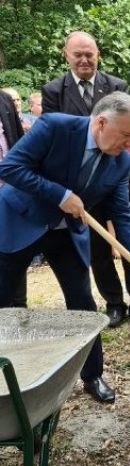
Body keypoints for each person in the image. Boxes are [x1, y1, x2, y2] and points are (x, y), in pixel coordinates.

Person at [0, 92, 130, 404]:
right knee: (5, 302)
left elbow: (122, 212)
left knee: (83, 302)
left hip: (66, 234)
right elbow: (11, 168)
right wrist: (60, 195)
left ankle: (93, 375)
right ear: (100, 123)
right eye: (126, 135)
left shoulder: (121, 161)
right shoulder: (55, 127)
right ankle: (7, 380)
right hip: (20, 222)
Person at [42, 31, 130, 328]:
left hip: (118, 177)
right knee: (97, 247)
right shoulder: (54, 91)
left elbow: (129, 128)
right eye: (78, 54)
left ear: (98, 56)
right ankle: (114, 303)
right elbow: (55, 139)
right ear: (66, 55)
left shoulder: (116, 87)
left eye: (89, 54)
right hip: (81, 187)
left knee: (128, 233)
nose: (84, 60)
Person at [0, 89, 28, 308]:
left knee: (13, 251)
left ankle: (18, 311)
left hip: (9, 190)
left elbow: (20, 145)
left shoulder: (4, 100)